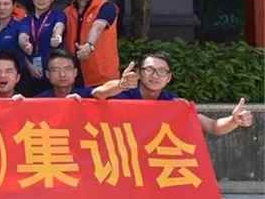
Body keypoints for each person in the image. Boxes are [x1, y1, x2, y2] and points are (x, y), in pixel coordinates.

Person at [92, 52, 254, 136]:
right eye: (149, 69)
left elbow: (213, 126)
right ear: (139, 73)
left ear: (168, 78)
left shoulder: (173, 103)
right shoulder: (123, 91)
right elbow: (98, 94)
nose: (155, 75)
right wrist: (120, 85)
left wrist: (233, 121)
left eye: (162, 71)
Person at [64, 0, 120, 87]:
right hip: (74, 79)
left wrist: (89, 45)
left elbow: (98, 26)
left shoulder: (107, 6)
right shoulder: (66, 12)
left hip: (103, 80)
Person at [21, 0, 67, 94]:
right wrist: (29, 65)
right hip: (31, 74)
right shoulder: (26, 20)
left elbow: (59, 27)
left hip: (53, 73)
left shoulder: (58, 15)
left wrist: (57, 37)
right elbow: (22, 38)